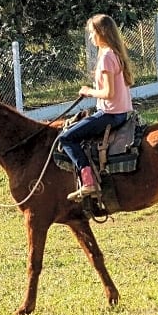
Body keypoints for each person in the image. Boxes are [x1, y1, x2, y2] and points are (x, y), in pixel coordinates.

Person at [59, 14, 135, 201]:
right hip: (122, 112)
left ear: (101, 33)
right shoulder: (115, 54)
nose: (91, 37)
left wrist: (89, 91)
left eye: (93, 33)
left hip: (110, 113)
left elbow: (108, 93)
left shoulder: (107, 57)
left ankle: (88, 182)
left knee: (66, 138)